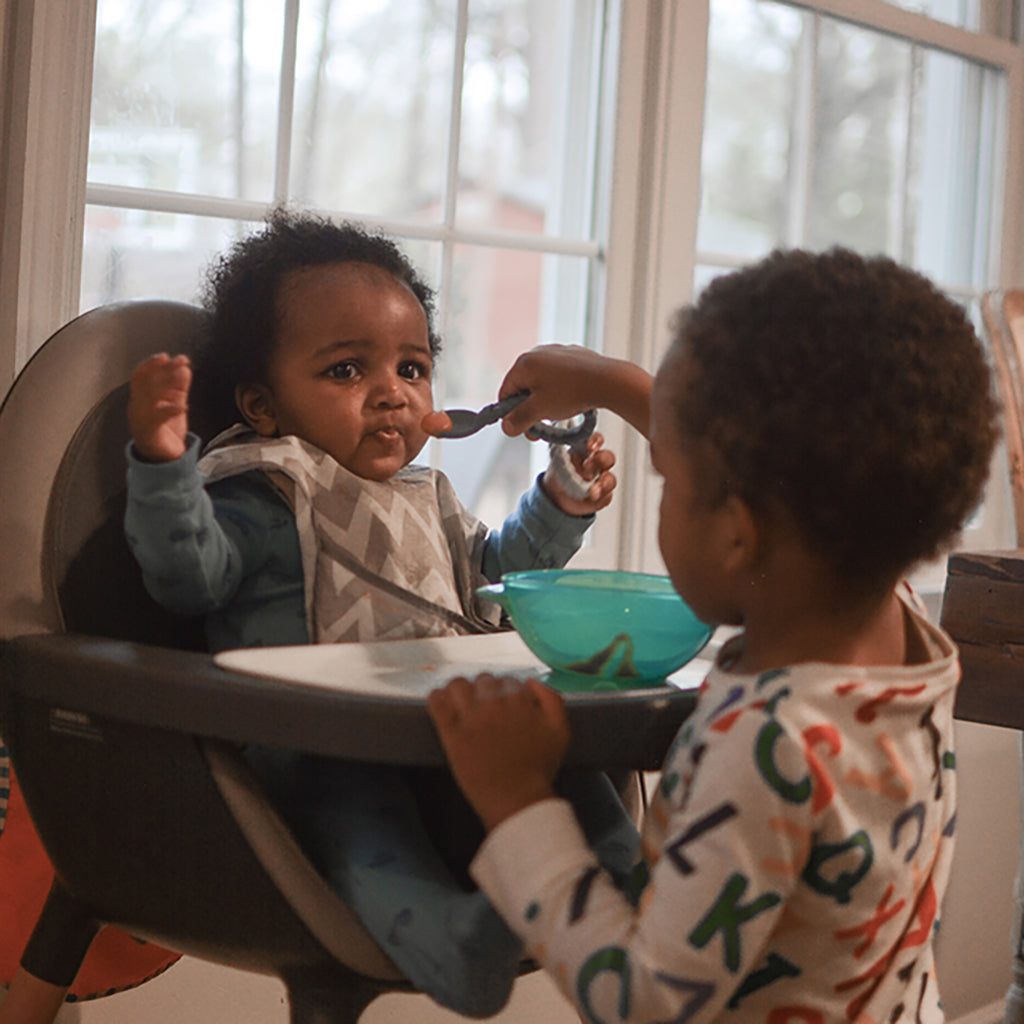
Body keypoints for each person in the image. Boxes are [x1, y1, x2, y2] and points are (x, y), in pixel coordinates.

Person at [427, 246, 1000, 1024]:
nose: (661, 480)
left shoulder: (767, 743)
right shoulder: (896, 627)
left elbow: (647, 998)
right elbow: (795, 460)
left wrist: (519, 802)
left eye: (669, 480)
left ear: (737, 533)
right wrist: (604, 380)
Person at [120, 209, 627, 1018]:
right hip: (320, 744)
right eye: (347, 372)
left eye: (413, 368)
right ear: (262, 403)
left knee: (567, 756)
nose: (393, 393)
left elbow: (494, 575)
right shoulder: (269, 487)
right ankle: (450, 944)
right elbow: (189, 576)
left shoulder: (424, 495)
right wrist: (163, 465)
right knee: (362, 817)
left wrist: (559, 504)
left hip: (445, 733)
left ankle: (623, 875)